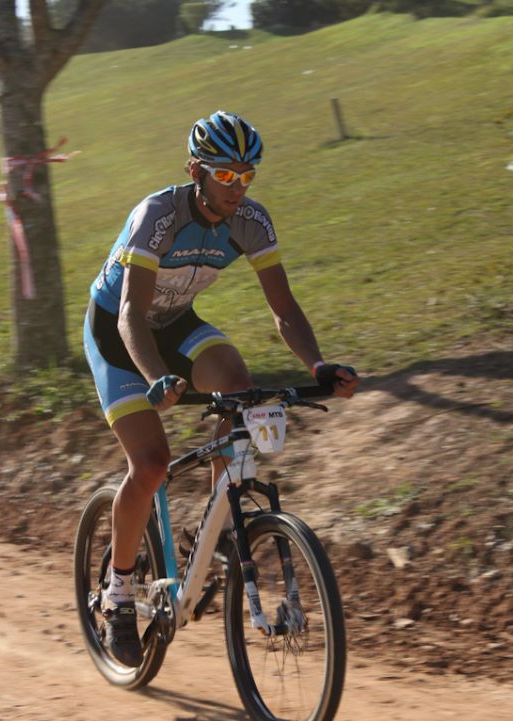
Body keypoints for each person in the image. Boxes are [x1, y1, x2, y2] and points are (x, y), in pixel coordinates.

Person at [84, 109, 359, 668]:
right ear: (196, 171)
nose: (237, 187)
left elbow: (283, 309)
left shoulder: (252, 222)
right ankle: (117, 596)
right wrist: (156, 377)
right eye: (225, 175)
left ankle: (221, 524)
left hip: (177, 323)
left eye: (247, 175)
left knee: (238, 385)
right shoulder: (157, 215)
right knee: (153, 462)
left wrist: (318, 364)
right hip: (120, 333)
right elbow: (133, 314)